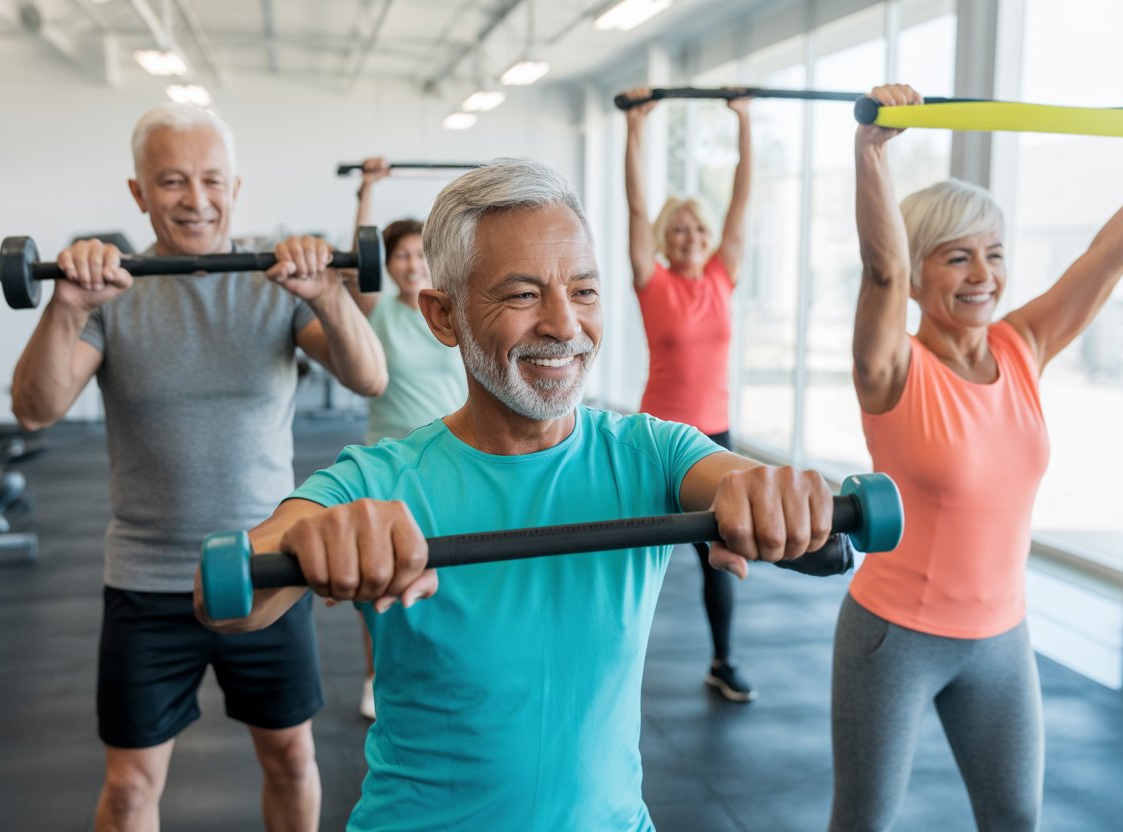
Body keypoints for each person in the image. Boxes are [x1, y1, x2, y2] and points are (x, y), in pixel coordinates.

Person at [197, 158, 835, 831]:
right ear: (444, 317)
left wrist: (772, 496)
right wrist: (307, 540)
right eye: (524, 295)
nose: (564, 325)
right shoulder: (378, 479)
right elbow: (224, 598)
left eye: (584, 292)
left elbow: (751, 491)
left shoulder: (652, 453)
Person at [10, 103, 388, 832]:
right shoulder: (110, 293)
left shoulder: (272, 284)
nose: (195, 198)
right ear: (139, 192)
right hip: (147, 580)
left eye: (211, 180)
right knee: (127, 790)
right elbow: (34, 410)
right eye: (172, 181)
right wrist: (64, 306)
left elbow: (368, 377)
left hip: (266, 570)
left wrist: (327, 294)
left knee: (289, 760)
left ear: (236, 188)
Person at [833, 83, 1123, 832]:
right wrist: (871, 151)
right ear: (919, 275)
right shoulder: (891, 369)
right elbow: (879, 272)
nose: (982, 273)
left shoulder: (1022, 346)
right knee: (863, 821)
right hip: (895, 637)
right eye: (956, 258)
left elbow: (1109, 259)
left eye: (994, 254)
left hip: (1002, 639)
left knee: (1016, 817)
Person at [622, 86, 757, 702]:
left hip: (715, 436)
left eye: (696, 226)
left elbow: (741, 202)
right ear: (662, 239)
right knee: (638, 560)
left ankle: (722, 660)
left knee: (717, 556)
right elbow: (634, 206)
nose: (689, 235)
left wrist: (744, 123)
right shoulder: (651, 282)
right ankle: (615, 663)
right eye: (676, 228)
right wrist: (636, 128)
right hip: (658, 439)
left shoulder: (724, 275)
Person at [344, 156, 468, 720]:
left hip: (449, 456)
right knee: (376, 574)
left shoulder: (451, 312)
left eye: (421, 253)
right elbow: (355, 255)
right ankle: (374, 673)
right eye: (402, 255)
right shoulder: (375, 309)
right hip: (389, 460)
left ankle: (447, 670)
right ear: (389, 263)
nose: (412, 263)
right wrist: (367, 190)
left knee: (448, 572)